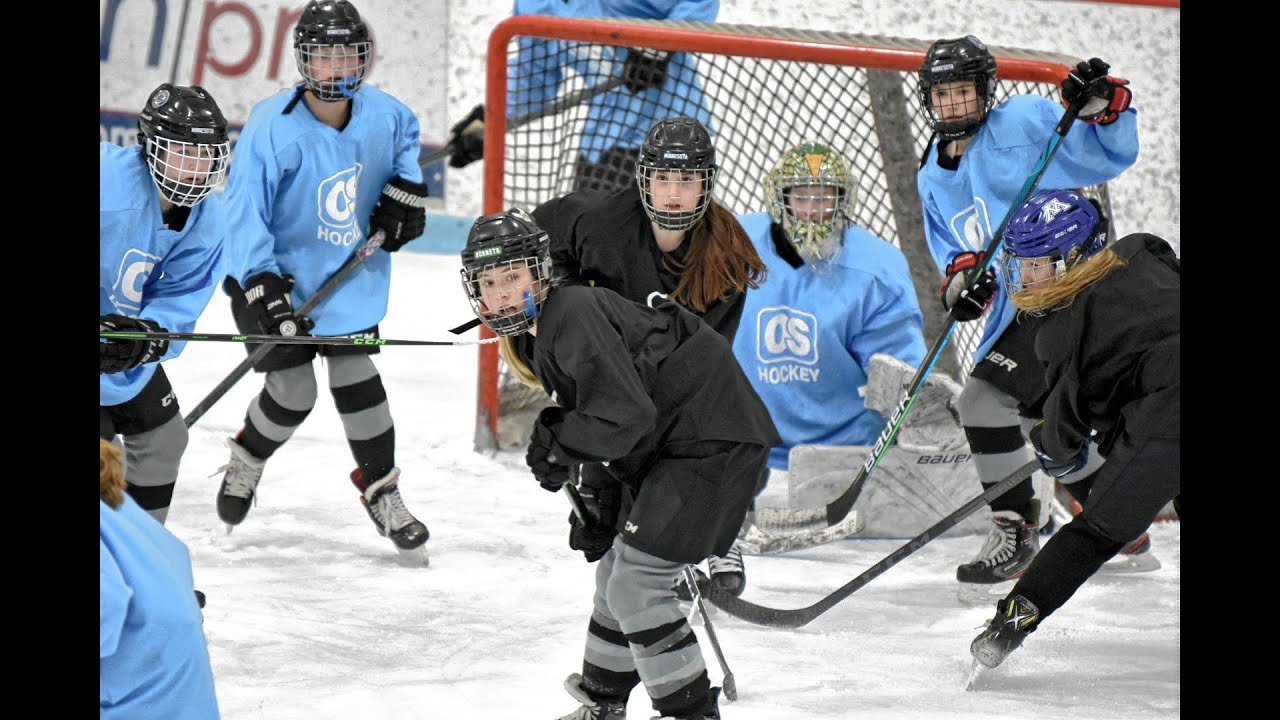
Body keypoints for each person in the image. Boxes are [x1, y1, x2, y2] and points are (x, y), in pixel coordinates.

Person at [459, 207, 779, 720]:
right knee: (615, 574)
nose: (499, 293)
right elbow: (616, 407)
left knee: (638, 585)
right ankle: (603, 705)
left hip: (712, 446)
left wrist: (562, 441)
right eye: (489, 282)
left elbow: (625, 417)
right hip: (680, 444)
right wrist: (599, 493)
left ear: (540, 272)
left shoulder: (571, 313)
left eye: (512, 276)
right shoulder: (545, 326)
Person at [914, 36, 1150, 596]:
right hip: (1017, 309)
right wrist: (962, 287)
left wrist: (1103, 107)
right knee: (1037, 423)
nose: (953, 106)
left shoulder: (1022, 123)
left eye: (963, 92)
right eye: (941, 95)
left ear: (985, 92)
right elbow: (954, 255)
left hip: (1069, 287)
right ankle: (1124, 525)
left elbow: (1108, 151)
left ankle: (1015, 531)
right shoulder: (931, 173)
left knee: (983, 401)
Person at [216, 0, 431, 562]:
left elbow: (405, 147)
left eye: (347, 54)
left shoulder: (386, 115)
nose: (336, 67)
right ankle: (249, 455)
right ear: (303, 61)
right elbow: (243, 215)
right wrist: (263, 281)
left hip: (347, 274)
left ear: (363, 57)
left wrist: (404, 196)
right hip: (272, 278)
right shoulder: (270, 127)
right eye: (323, 55)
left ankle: (383, 491)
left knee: (356, 372)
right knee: (294, 392)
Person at [531, 115, 766, 597]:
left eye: (686, 179)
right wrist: (571, 296)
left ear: (706, 184)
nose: (673, 193)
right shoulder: (600, 219)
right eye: (662, 179)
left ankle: (721, 525)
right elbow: (534, 238)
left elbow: (697, 376)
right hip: (610, 378)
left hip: (672, 387)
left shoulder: (727, 258)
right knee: (605, 500)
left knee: (708, 435)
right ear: (643, 180)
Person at [968, 188, 1179, 668]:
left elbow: (1062, 436)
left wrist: (1050, 448)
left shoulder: (1061, 333)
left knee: (1097, 530)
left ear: (1073, 255)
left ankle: (1007, 627)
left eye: (1037, 264)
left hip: (1169, 415)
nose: (1025, 276)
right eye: (1021, 264)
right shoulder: (1138, 250)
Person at [731, 141, 927, 472]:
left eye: (824, 197)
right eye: (801, 196)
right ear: (780, 199)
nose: (811, 209)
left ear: (842, 199)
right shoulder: (731, 244)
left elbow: (899, 375)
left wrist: (919, 420)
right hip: (748, 451)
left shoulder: (875, 270)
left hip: (847, 455)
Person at [100, 82, 231, 524]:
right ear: (150, 147)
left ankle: (146, 567)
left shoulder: (210, 220)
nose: (197, 168)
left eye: (206, 155)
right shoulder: (107, 182)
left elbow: (179, 298)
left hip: (114, 360)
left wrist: (146, 338)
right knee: (102, 464)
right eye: (183, 153)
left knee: (165, 438)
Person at [444, 0, 718, 194]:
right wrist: (492, 119)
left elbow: (698, 3)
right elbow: (535, 79)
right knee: (589, 256)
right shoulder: (534, 5)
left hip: (675, 138)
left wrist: (659, 45)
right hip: (605, 147)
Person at [101, 438, 221, 718]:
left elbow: (106, 603)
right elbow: (176, 555)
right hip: (178, 678)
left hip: (144, 690)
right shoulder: (112, 499)